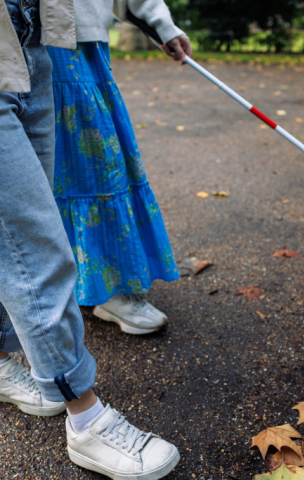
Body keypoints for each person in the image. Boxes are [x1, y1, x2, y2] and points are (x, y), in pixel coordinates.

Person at [0, 0, 190, 477]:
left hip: (36, 45)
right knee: (35, 248)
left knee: (14, 239)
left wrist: (159, 23)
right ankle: (85, 418)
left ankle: (1, 358)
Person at [47, 0, 192, 336]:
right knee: (58, 167)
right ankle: (90, 281)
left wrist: (162, 24)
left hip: (78, 40)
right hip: (24, 42)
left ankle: (103, 281)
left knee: (96, 164)